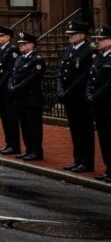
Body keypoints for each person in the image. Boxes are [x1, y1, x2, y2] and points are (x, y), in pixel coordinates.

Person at [58, 20, 95, 172]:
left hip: (79, 96)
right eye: (69, 34)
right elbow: (61, 72)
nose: (70, 37)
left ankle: (86, 162)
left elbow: (85, 75)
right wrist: (61, 90)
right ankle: (78, 159)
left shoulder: (88, 51)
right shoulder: (68, 51)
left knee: (84, 130)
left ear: (83, 35)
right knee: (74, 130)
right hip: (69, 98)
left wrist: (70, 90)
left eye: (73, 34)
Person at [8, 32, 45, 161]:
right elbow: (13, 75)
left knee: (33, 126)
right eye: (20, 44)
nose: (21, 46)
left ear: (32, 45)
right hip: (20, 99)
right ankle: (28, 149)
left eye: (24, 44)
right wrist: (10, 86)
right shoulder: (19, 59)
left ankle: (36, 151)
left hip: (31, 98)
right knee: (24, 126)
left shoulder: (37, 60)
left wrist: (15, 88)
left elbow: (31, 79)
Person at [0, 25, 21, 155]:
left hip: (7, 89)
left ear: (8, 37)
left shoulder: (12, 50)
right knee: (5, 118)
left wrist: (0, 84)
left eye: (0, 36)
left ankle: (14, 145)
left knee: (11, 118)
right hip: (1, 90)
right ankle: (8, 143)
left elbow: (9, 71)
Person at [86, 25, 111, 182]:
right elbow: (91, 78)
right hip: (99, 105)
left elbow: (110, 83)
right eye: (97, 40)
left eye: (102, 39)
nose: (98, 42)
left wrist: (96, 96)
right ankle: (108, 168)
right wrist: (89, 93)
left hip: (108, 104)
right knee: (104, 138)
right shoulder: (99, 58)